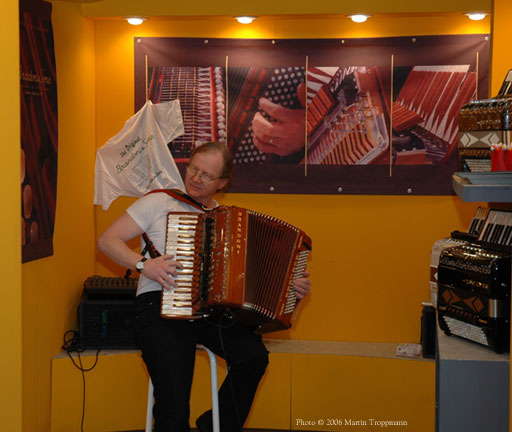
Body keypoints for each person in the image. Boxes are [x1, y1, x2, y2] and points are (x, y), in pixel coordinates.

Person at [97, 141, 311, 432]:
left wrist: (288, 288)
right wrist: (144, 265)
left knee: (253, 357)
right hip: (158, 308)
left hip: (209, 313)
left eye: (206, 175)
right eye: (193, 169)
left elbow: (249, 277)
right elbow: (107, 241)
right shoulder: (159, 201)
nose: (196, 178)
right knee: (174, 404)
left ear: (222, 183)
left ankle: (215, 425)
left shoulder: (226, 221)